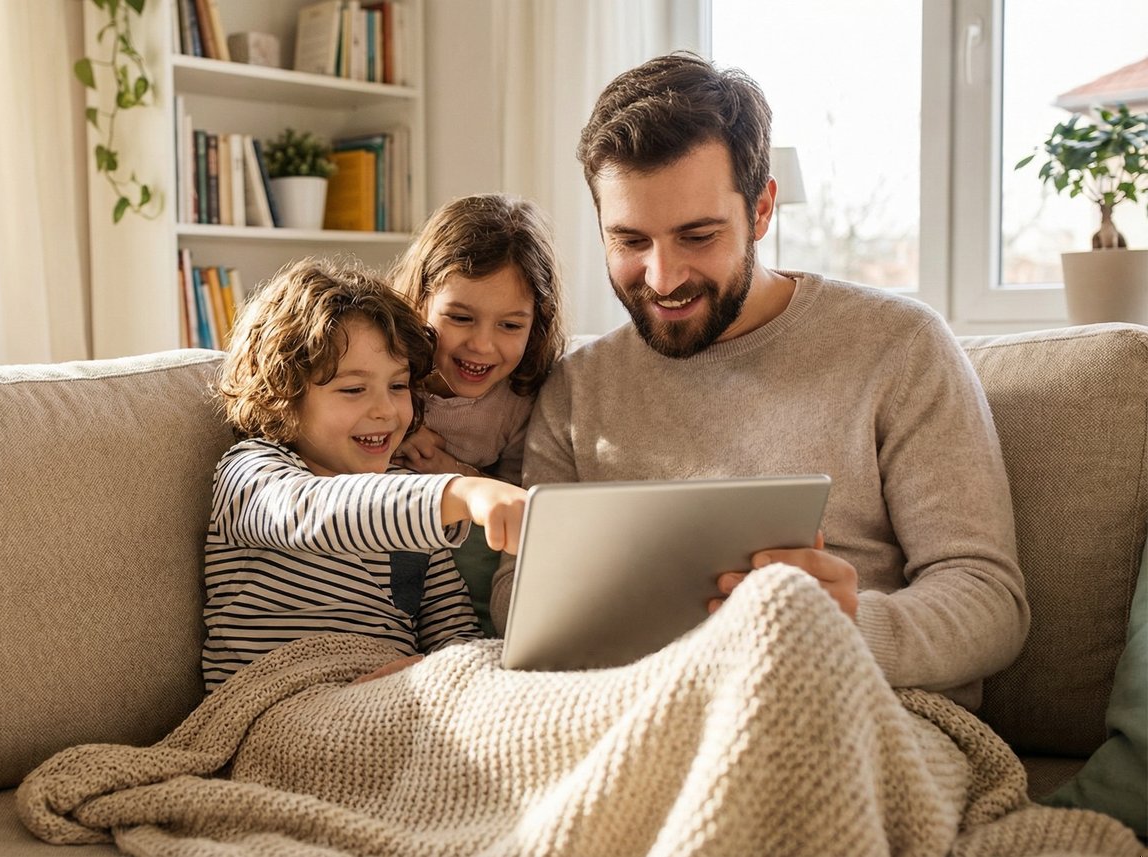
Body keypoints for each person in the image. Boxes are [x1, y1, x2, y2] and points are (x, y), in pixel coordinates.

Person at [490, 52, 1029, 708]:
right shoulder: (577, 386)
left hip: (854, 705)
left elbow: (989, 601)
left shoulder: (900, 347)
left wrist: (847, 624)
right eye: (630, 241)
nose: (662, 278)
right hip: (632, 704)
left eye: (697, 235)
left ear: (763, 209)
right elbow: (515, 596)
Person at [203, 257, 527, 691]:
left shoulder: (413, 496)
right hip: (274, 705)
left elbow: (454, 635)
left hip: (393, 704)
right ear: (284, 395)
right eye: (354, 390)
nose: (385, 411)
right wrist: (460, 492)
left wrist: (453, 676)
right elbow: (317, 513)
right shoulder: (251, 471)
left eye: (397, 386)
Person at [388, 193, 567, 634]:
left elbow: (517, 501)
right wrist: (398, 424)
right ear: (421, 301)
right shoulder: (384, 374)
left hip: (464, 592)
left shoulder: (519, 402)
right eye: (460, 318)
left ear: (536, 324)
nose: (483, 346)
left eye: (510, 325)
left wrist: (454, 471)